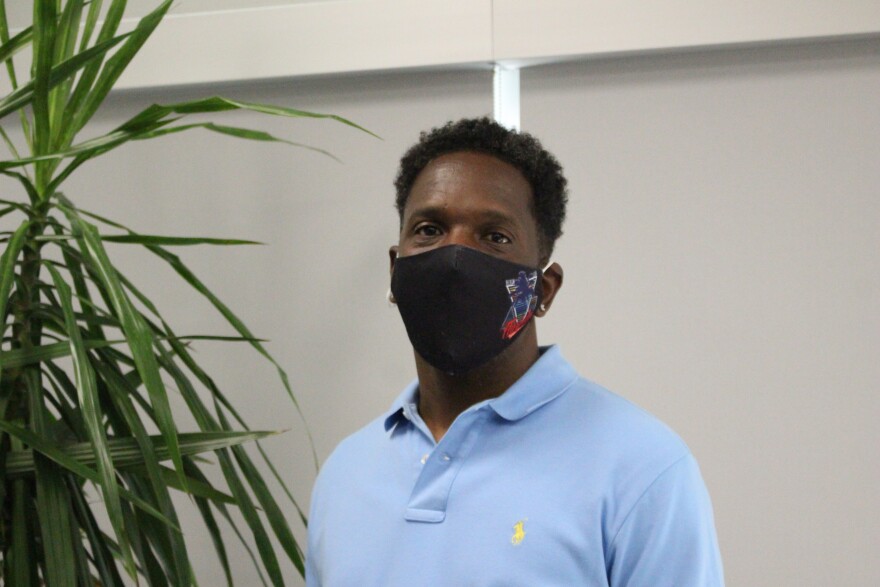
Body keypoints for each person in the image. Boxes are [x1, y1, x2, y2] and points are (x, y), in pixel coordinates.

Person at [306, 118, 724, 586]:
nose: (454, 259)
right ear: (394, 270)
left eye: (495, 237)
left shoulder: (643, 470)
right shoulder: (346, 473)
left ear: (544, 290)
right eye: (429, 229)